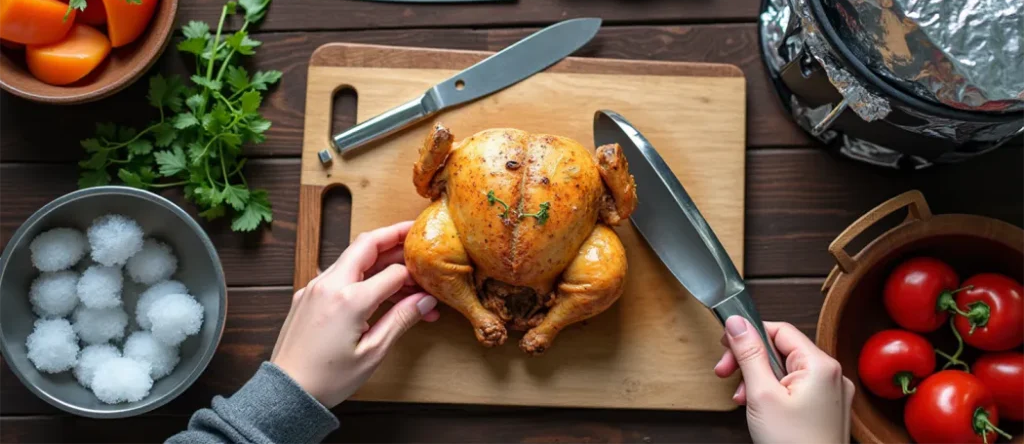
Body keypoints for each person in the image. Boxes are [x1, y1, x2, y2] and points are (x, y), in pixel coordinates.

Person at [168, 222, 854, 444]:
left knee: (601, 265)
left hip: (566, 254)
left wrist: (275, 406)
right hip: (477, 254)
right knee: (431, 247)